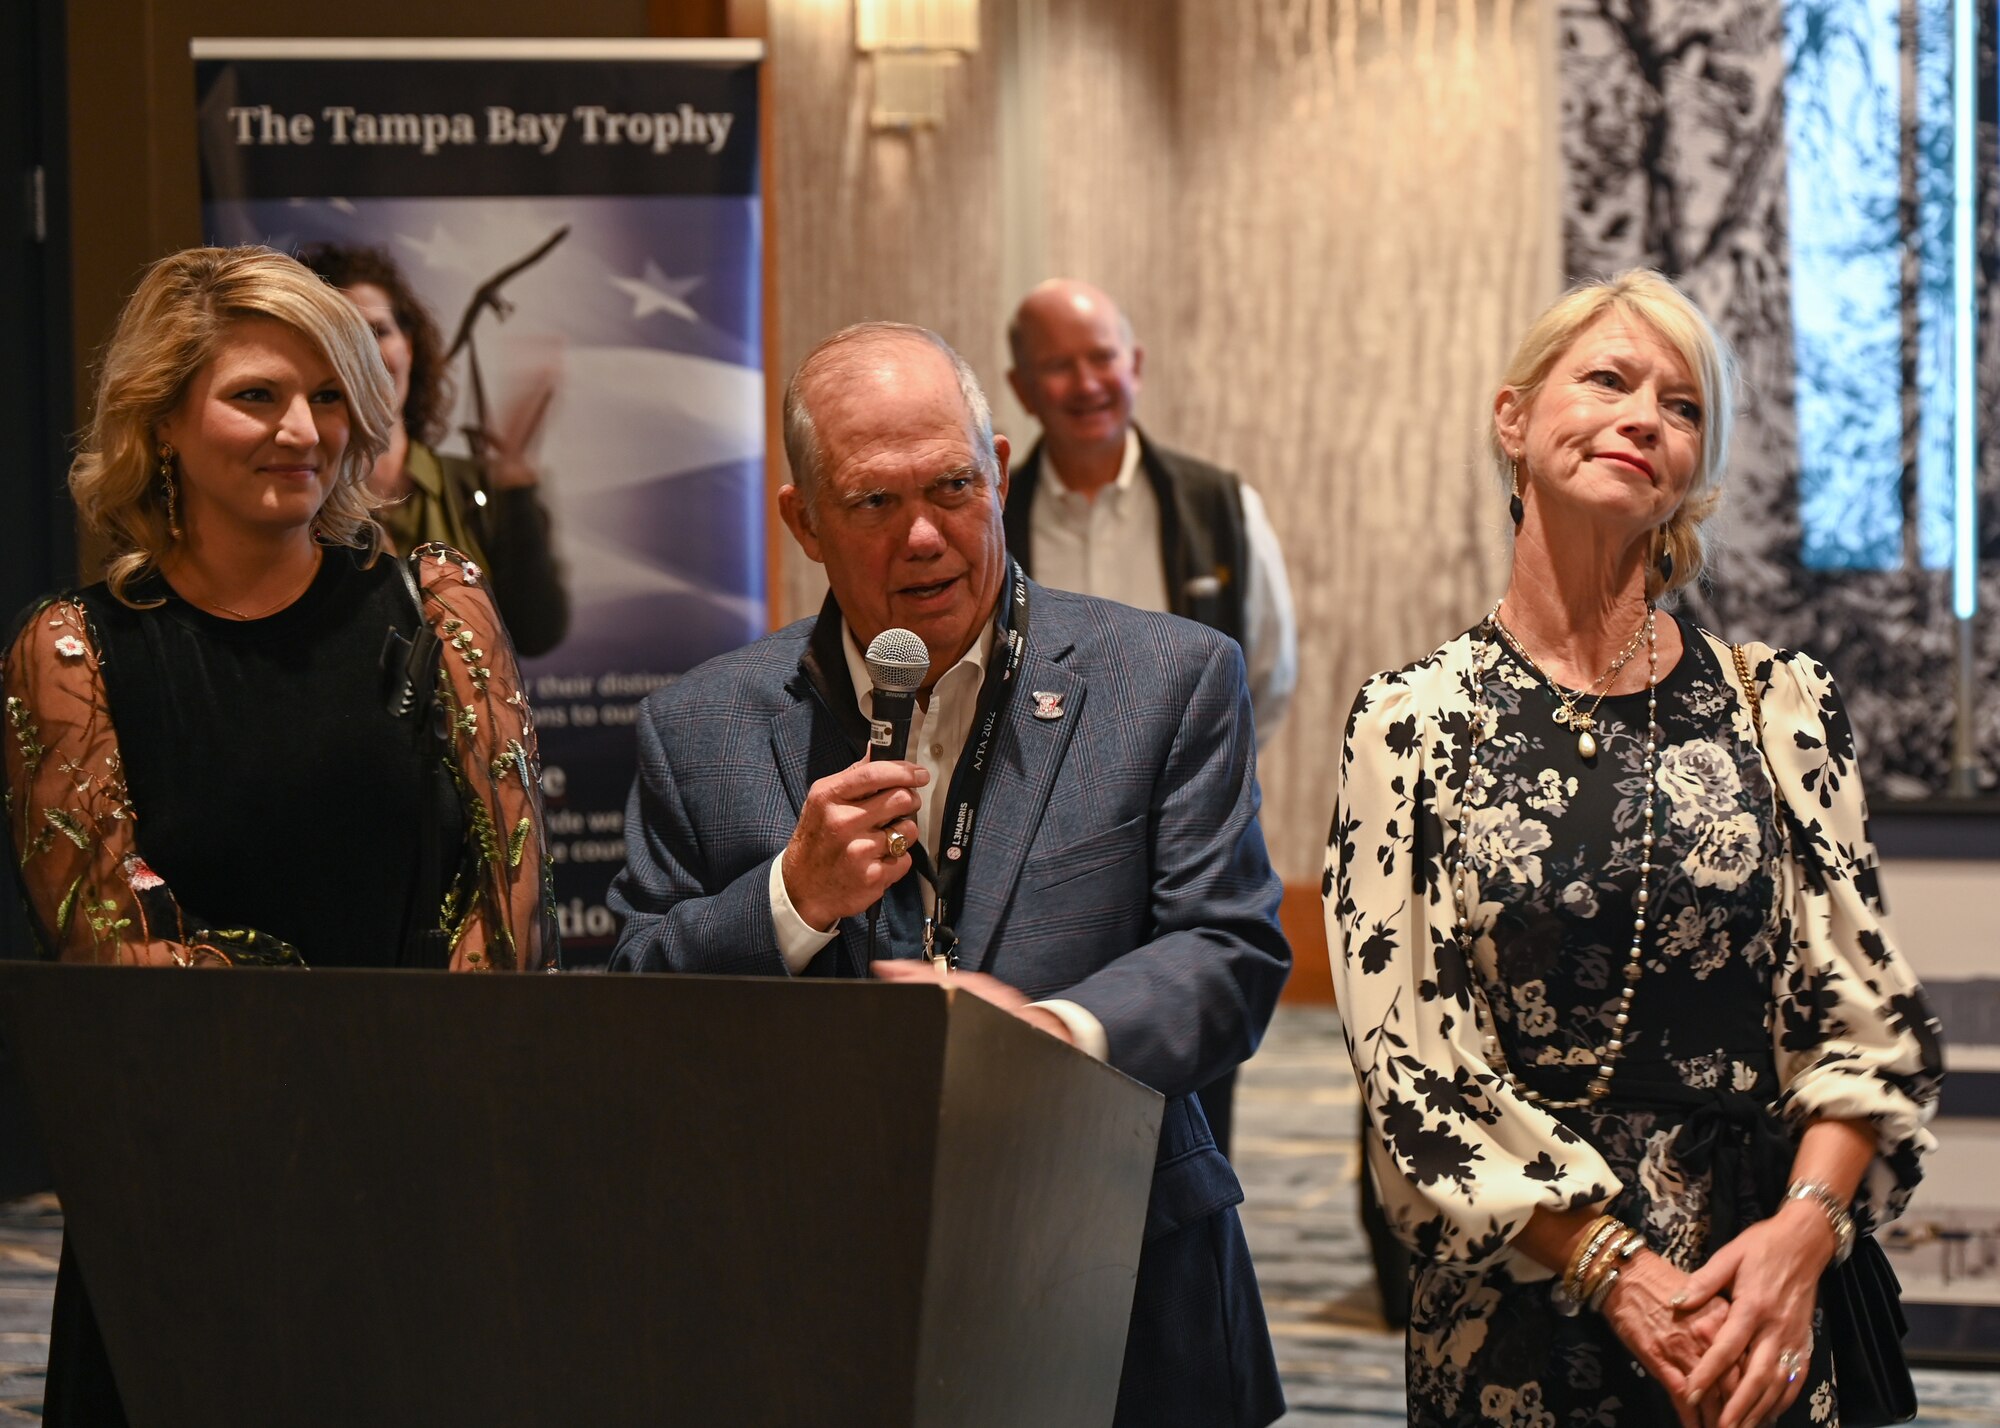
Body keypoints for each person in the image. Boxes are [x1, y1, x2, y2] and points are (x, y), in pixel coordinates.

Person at [607, 321, 1290, 1428]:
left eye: (952, 486)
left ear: (999, 473)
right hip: (810, 1291)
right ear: (802, 521)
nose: (924, 535)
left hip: (1116, 1274)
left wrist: (1051, 1037)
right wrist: (791, 898)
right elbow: (635, 992)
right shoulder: (700, 726)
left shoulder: (1166, 679)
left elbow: (1229, 948)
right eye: (875, 503)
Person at [1324, 270, 1944, 1428]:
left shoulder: (1781, 706)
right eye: (1606, 378)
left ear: (1693, 473)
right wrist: (1613, 1268)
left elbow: (1863, 1018)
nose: (1642, 417)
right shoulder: (1410, 722)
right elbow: (1407, 1064)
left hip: (1758, 1297)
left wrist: (1798, 1242)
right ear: (1512, 419)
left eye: (1682, 406)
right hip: (1517, 1295)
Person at [2, 245, 558, 1425]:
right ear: (162, 423)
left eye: (325, 395)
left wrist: (410, 1121)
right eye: (256, 394)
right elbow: (111, 955)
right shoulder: (73, 653)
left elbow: (508, 910)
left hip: (424, 1176)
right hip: (191, 1198)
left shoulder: (440, 604)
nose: (300, 429)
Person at [1005, 277, 1299, 1159]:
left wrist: (1195, 794)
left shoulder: (1217, 506)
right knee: (1038, 1089)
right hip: (1032, 863)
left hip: (1184, 853)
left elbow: (1268, 674)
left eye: (1101, 358)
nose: (1085, 382)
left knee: (1190, 1085)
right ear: (1021, 389)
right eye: (1057, 366)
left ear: (1134, 365)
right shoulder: (991, 514)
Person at [296, 242, 570, 657]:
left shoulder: (477, 486)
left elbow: (535, 634)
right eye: (342, 337)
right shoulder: (295, 492)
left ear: (409, 345)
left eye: (378, 332)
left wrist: (515, 485)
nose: (366, 355)